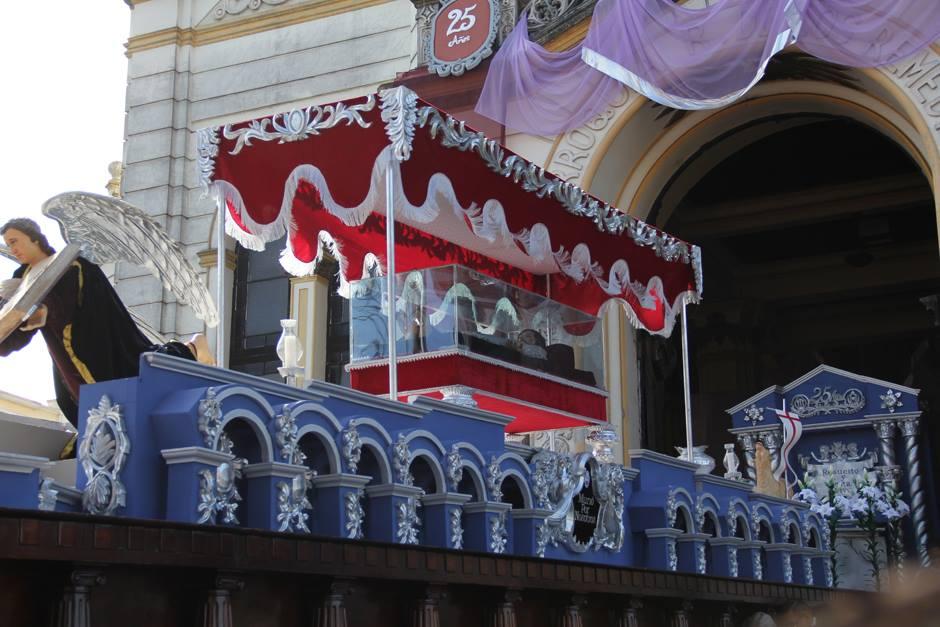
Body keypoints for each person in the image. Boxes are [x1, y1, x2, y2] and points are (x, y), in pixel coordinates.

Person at [0, 218, 213, 455]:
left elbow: (67, 301)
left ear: (34, 238)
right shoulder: (23, 276)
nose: (12, 249)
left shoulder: (69, 264)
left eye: (14, 241)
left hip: (91, 340)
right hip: (63, 352)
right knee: (75, 398)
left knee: (128, 372)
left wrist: (43, 312)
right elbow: (16, 325)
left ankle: (192, 347)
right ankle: (99, 434)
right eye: (8, 244)